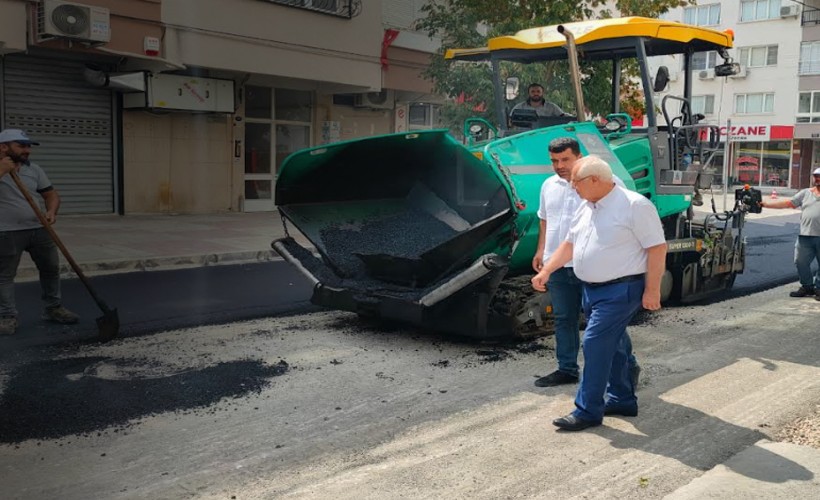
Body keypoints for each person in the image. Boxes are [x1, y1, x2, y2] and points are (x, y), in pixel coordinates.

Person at [531, 155, 667, 431]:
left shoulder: (634, 205)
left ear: (594, 180)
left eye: (575, 183)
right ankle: (622, 399)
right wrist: (547, 270)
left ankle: (587, 410)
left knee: (594, 344)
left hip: (621, 288)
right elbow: (569, 243)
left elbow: (657, 248)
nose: (572, 188)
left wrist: (652, 290)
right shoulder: (587, 205)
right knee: (614, 346)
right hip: (591, 290)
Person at [532, 138, 636, 388]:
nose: (559, 166)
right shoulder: (548, 186)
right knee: (564, 319)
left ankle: (625, 369)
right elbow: (545, 220)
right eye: (554, 161)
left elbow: (624, 220)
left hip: (592, 264)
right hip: (558, 265)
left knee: (605, 321)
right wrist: (541, 251)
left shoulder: (604, 183)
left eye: (565, 159)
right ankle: (567, 368)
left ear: (579, 157)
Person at [0, 128, 79, 335]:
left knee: (51, 268)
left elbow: (50, 194)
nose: (27, 151)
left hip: (38, 228)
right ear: (3, 147)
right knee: (5, 275)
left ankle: (54, 308)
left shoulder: (33, 169)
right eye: (22, 146)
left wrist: (52, 211)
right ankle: (7, 316)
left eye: (29, 146)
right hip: (6, 232)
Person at [760, 167, 820, 300]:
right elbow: (789, 203)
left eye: (819, 176)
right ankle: (807, 286)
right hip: (806, 235)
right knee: (800, 261)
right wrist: (766, 205)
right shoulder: (805, 193)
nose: (817, 178)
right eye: (816, 176)